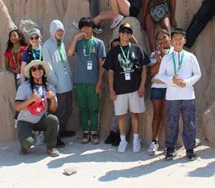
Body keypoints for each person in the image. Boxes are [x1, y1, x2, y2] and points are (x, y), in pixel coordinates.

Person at [103, 23, 150, 153]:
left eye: (128, 32)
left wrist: (142, 86)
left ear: (131, 35)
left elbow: (145, 68)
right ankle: (123, 140)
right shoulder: (113, 52)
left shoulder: (137, 49)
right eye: (123, 32)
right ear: (119, 34)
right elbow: (111, 72)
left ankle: (136, 139)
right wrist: (112, 89)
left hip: (135, 88)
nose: (125, 34)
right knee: (121, 116)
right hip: (119, 89)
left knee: (135, 115)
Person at [156, 28, 201, 161]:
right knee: (171, 122)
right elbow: (160, 74)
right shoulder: (167, 57)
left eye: (180, 39)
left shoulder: (190, 56)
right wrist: (171, 80)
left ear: (184, 40)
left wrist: (187, 83)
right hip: (172, 95)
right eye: (175, 39)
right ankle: (170, 148)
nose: (177, 41)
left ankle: (190, 149)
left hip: (188, 95)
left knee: (190, 122)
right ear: (171, 40)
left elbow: (198, 74)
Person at [67, 17, 106, 144]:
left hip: (93, 82)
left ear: (92, 28)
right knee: (83, 108)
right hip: (79, 82)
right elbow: (69, 53)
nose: (86, 30)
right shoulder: (78, 43)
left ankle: (94, 132)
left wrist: (100, 82)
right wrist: (75, 37)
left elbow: (102, 65)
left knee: (93, 109)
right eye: (83, 27)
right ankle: (85, 131)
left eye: (88, 27)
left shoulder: (99, 43)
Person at [15, 60, 60, 157]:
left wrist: (52, 98)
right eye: (34, 69)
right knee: (28, 143)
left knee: (53, 120)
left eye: (39, 68)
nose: (37, 71)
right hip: (25, 121)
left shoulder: (49, 87)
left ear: (43, 71)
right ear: (31, 73)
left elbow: (53, 110)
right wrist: (31, 99)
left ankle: (51, 147)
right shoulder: (24, 87)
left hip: (40, 119)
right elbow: (18, 107)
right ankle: (25, 142)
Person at [43, 20, 74, 148]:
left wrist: (70, 78)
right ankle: (54, 136)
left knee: (68, 109)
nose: (60, 33)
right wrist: (55, 82)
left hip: (67, 83)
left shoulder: (61, 44)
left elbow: (65, 62)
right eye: (58, 30)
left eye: (62, 31)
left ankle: (61, 131)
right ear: (53, 30)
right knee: (59, 111)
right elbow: (48, 66)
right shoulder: (47, 45)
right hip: (58, 84)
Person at [147, 29, 173, 155]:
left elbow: (172, 72)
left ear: (169, 38)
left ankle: (169, 144)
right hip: (157, 87)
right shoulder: (154, 54)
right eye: (159, 39)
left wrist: (162, 60)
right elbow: (151, 72)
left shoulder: (175, 53)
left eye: (164, 37)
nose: (162, 41)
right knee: (157, 114)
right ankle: (154, 141)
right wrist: (158, 60)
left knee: (167, 115)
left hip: (169, 87)